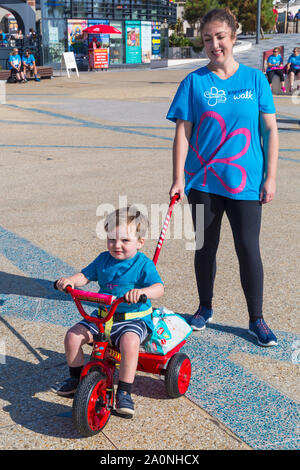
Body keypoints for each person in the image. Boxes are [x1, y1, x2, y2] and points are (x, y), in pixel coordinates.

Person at [167, 8, 278, 347]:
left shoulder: (256, 80)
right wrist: (177, 179)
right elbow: (182, 134)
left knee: (248, 249)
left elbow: (270, 129)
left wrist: (270, 177)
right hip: (203, 182)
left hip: (245, 182)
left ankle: (256, 318)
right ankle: (204, 307)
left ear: (233, 37)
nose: (214, 45)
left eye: (220, 37)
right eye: (207, 39)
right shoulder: (194, 82)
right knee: (204, 248)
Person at [52, 207, 164, 416]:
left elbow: (159, 288)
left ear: (140, 243)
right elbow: (84, 276)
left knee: (129, 343)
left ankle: (124, 391)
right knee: (72, 336)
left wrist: (141, 292)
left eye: (125, 240)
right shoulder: (103, 259)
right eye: (112, 239)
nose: (117, 245)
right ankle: (76, 378)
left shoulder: (143, 265)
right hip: (104, 316)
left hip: (133, 318)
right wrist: (70, 281)